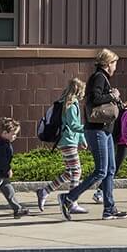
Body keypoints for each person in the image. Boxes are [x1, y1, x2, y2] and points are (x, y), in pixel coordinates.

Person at [61, 48, 126, 220]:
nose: (115, 67)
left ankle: (109, 209)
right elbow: (94, 99)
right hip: (96, 130)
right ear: (107, 64)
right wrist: (112, 95)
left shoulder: (103, 78)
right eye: (114, 63)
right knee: (101, 171)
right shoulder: (98, 77)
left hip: (105, 130)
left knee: (110, 170)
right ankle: (68, 198)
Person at [33, 77, 88, 215]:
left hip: (67, 141)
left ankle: (44, 191)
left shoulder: (65, 102)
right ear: (79, 90)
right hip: (68, 141)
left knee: (70, 172)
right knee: (76, 171)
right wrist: (88, 129)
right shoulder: (70, 103)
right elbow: (73, 124)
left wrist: (82, 139)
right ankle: (72, 202)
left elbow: (73, 124)